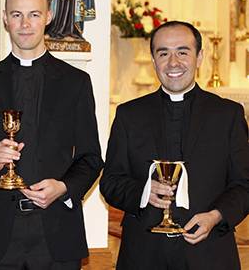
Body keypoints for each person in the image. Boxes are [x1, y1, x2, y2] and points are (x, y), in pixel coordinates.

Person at [0, 0, 103, 269]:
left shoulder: (76, 83)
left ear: (48, 17)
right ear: (4, 18)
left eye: (34, 15)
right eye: (16, 15)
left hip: (56, 233)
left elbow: (91, 157)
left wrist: (63, 187)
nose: (25, 24)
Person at [100, 21, 249, 270]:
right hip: (144, 255)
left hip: (209, 254)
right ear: (153, 59)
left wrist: (216, 216)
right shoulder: (129, 115)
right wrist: (145, 192)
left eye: (183, 51)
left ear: (199, 57)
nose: (173, 62)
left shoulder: (227, 115)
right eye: (163, 53)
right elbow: (111, 182)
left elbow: (244, 185)